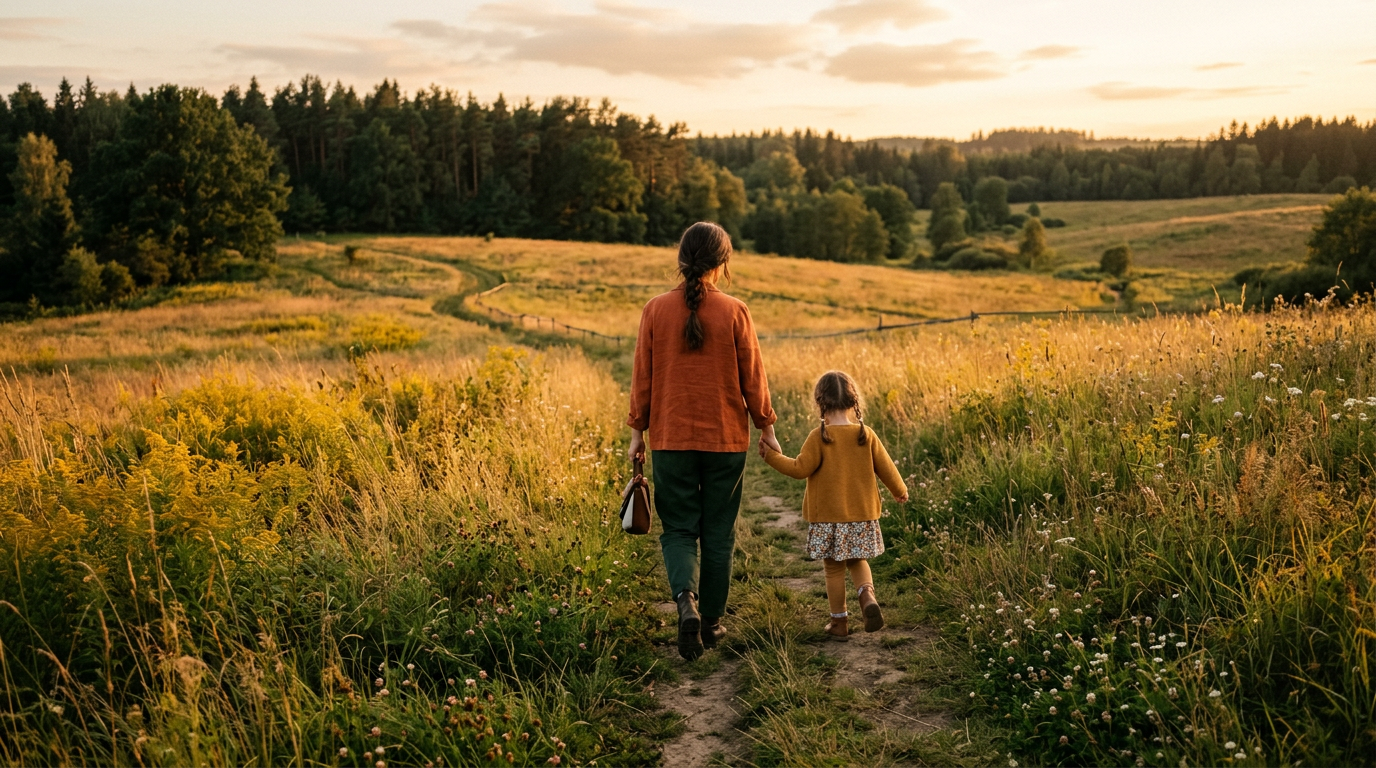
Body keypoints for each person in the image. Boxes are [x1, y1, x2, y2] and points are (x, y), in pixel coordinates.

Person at [627, 221, 780, 660]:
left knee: (677, 529)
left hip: (671, 438)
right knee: (718, 532)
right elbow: (754, 375)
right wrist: (765, 427)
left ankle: (685, 603)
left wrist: (638, 432)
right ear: (723, 263)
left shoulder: (655, 310)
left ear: (682, 261)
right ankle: (711, 622)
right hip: (725, 439)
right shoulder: (735, 311)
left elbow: (643, 377)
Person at [760, 370, 908, 640]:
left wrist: (771, 457)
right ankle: (867, 596)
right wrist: (900, 491)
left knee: (833, 568)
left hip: (828, 517)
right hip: (861, 514)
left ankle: (839, 623)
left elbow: (798, 469)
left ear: (821, 403)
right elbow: (886, 468)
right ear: (854, 403)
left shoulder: (819, 437)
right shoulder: (866, 434)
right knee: (857, 560)